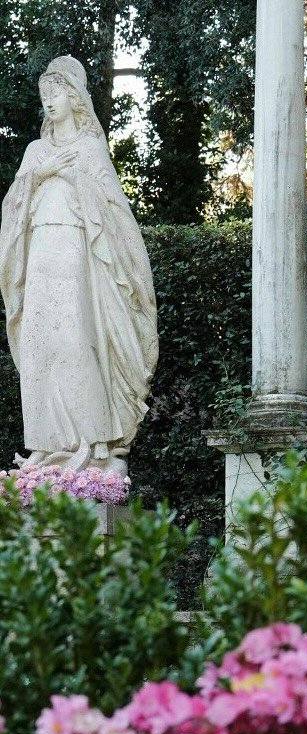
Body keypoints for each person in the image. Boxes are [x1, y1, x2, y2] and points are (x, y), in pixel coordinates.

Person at [0, 56, 157, 475]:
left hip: (74, 248)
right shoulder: (36, 151)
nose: (49, 102)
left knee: (73, 340)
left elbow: (111, 210)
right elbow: (13, 207)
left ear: (73, 97)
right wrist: (40, 174)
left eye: (56, 94)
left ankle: (92, 441)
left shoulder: (90, 148)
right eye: (44, 95)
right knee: (37, 346)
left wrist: (72, 180)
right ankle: (46, 446)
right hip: (38, 251)